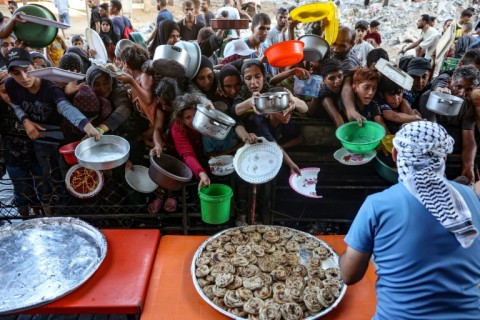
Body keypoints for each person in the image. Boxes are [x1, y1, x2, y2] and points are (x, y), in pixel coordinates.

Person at [340, 121, 480, 319]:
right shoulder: (472, 198)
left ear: (396, 156)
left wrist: (343, 256)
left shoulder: (377, 204)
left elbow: (349, 275)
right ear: (444, 158)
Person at [5, 48, 101, 211]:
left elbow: (65, 107)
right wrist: (26, 121)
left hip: (60, 140)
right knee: (47, 180)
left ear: (34, 66)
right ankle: (51, 213)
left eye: (26, 70)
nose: (24, 77)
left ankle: (70, 213)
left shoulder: (49, 87)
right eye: (16, 73)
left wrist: (87, 126)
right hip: (39, 139)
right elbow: (16, 106)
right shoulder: (11, 85)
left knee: (67, 179)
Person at [419, 65, 479, 184]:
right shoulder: (430, 98)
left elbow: (469, 139)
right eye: (458, 86)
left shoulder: (468, 104)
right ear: (450, 82)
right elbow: (433, 136)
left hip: (453, 146)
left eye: (468, 89)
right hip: (433, 146)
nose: (462, 93)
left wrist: (468, 165)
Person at [169, 93, 211, 190]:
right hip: (183, 162)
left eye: (196, 115)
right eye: (188, 117)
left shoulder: (205, 119)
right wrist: (201, 173)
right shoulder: (177, 127)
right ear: (181, 119)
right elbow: (187, 154)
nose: (194, 120)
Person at [308, 58, 344, 126]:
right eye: (331, 78)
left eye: (340, 76)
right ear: (324, 80)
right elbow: (337, 119)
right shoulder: (324, 94)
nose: (337, 82)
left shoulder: (345, 83)